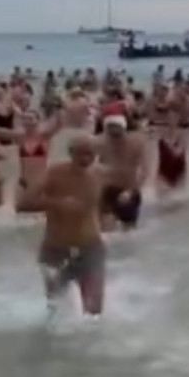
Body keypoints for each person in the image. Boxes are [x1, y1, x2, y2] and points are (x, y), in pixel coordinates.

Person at [17, 136, 106, 315]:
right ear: (71, 153)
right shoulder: (54, 173)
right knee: (56, 310)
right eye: (82, 154)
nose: (86, 159)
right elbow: (22, 204)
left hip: (90, 248)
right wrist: (57, 203)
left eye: (91, 154)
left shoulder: (100, 175)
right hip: (55, 249)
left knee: (94, 314)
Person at [97, 113, 146, 230]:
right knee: (106, 231)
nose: (112, 131)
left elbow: (143, 171)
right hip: (107, 190)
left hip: (128, 189)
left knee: (128, 231)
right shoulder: (99, 143)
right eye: (110, 128)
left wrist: (130, 191)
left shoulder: (135, 144)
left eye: (116, 127)